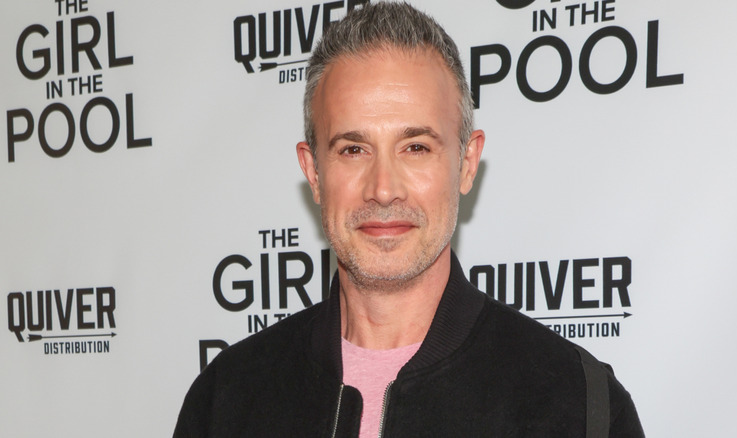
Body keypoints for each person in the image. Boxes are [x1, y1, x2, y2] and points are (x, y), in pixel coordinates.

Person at [174, 2, 644, 437]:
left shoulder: (580, 403)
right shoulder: (225, 400)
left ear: (465, 162)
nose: (383, 188)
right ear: (313, 172)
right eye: (353, 149)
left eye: (415, 147)